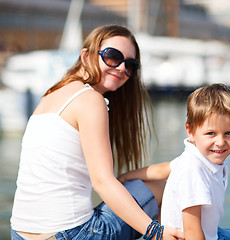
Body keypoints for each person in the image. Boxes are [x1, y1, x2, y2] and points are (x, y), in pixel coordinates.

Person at [10, 24, 184, 240]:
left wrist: (128, 176)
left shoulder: (53, 94)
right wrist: (155, 232)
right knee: (164, 187)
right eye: (112, 56)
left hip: (19, 233)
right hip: (70, 234)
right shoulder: (90, 99)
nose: (121, 68)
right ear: (86, 56)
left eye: (130, 65)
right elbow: (102, 182)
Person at [120, 84, 230, 240]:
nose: (220, 142)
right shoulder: (193, 171)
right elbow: (191, 229)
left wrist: (126, 176)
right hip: (191, 236)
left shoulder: (196, 156)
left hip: (209, 232)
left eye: (228, 133)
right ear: (190, 132)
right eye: (211, 133)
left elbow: (162, 170)